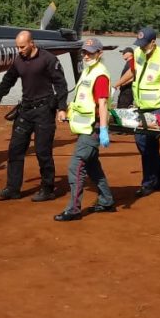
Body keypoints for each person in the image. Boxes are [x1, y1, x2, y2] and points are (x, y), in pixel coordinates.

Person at [0, 30, 69, 202]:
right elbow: (8, 79)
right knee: (15, 150)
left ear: (32, 43)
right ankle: (13, 189)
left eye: (22, 47)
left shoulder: (48, 59)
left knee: (43, 152)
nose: (19, 50)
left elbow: (61, 84)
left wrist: (62, 108)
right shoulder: (19, 60)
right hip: (25, 111)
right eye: (17, 47)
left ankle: (47, 189)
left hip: (44, 111)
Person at [54, 37, 116, 221]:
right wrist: (67, 112)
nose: (86, 56)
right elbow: (82, 99)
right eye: (84, 52)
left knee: (76, 166)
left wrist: (103, 129)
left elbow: (102, 104)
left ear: (99, 53)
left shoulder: (100, 75)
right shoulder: (89, 71)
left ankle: (73, 209)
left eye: (90, 53)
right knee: (92, 166)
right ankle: (106, 200)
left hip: (92, 129)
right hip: (85, 127)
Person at [130, 26, 160, 196]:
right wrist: (117, 85)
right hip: (141, 107)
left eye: (144, 44)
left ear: (153, 42)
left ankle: (149, 182)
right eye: (140, 44)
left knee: (148, 143)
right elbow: (133, 72)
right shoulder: (138, 53)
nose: (141, 47)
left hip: (156, 108)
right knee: (141, 142)